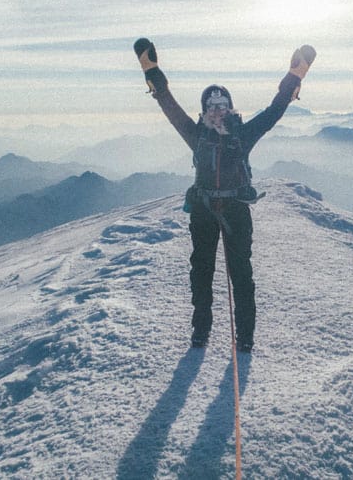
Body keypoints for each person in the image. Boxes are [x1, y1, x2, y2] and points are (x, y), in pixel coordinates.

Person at [134, 37, 315, 352]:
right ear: (205, 110)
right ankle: (200, 331)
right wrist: (153, 73)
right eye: (211, 106)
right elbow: (169, 107)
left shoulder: (242, 134)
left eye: (222, 105)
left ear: (229, 108)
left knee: (241, 273)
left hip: (232, 209)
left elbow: (274, 112)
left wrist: (294, 78)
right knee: (201, 272)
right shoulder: (198, 135)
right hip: (206, 209)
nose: (217, 110)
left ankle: (244, 337)